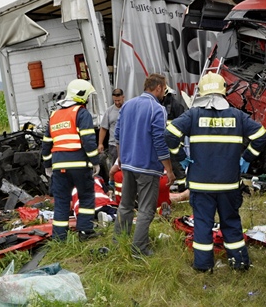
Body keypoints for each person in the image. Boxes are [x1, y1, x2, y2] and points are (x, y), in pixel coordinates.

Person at [165, 72, 266, 272]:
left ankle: (203, 266)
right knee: (230, 221)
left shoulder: (193, 115)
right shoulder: (237, 116)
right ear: (223, 91)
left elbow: (169, 134)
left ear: (202, 92)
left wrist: (181, 157)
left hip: (201, 184)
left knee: (203, 223)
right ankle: (239, 263)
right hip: (228, 183)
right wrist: (246, 158)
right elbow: (261, 136)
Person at [113, 73, 176, 257]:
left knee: (125, 205)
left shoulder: (127, 105)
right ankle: (139, 249)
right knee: (146, 209)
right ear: (157, 88)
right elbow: (159, 140)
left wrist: (121, 160)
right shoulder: (157, 108)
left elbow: (117, 136)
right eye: (163, 89)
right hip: (147, 167)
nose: (164, 93)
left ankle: (119, 242)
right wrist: (169, 170)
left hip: (128, 165)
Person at [41, 79, 101, 242]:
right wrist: (95, 161)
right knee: (86, 196)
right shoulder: (81, 113)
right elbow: (88, 140)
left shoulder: (54, 115)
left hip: (59, 167)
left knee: (61, 202)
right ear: (82, 96)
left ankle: (59, 237)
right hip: (80, 165)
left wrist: (47, 164)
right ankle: (85, 231)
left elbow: (46, 144)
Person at [163, 84, 188, 193]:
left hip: (174, 141)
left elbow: (181, 126)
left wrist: (179, 142)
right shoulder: (161, 104)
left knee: (176, 165)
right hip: (163, 140)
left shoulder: (176, 105)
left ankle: (183, 188)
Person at [98, 88, 125, 170]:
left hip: (127, 144)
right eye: (115, 100)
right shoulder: (109, 111)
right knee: (115, 167)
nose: (117, 102)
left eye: (119, 100)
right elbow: (103, 128)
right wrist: (100, 143)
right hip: (113, 145)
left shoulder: (128, 108)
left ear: (123, 97)